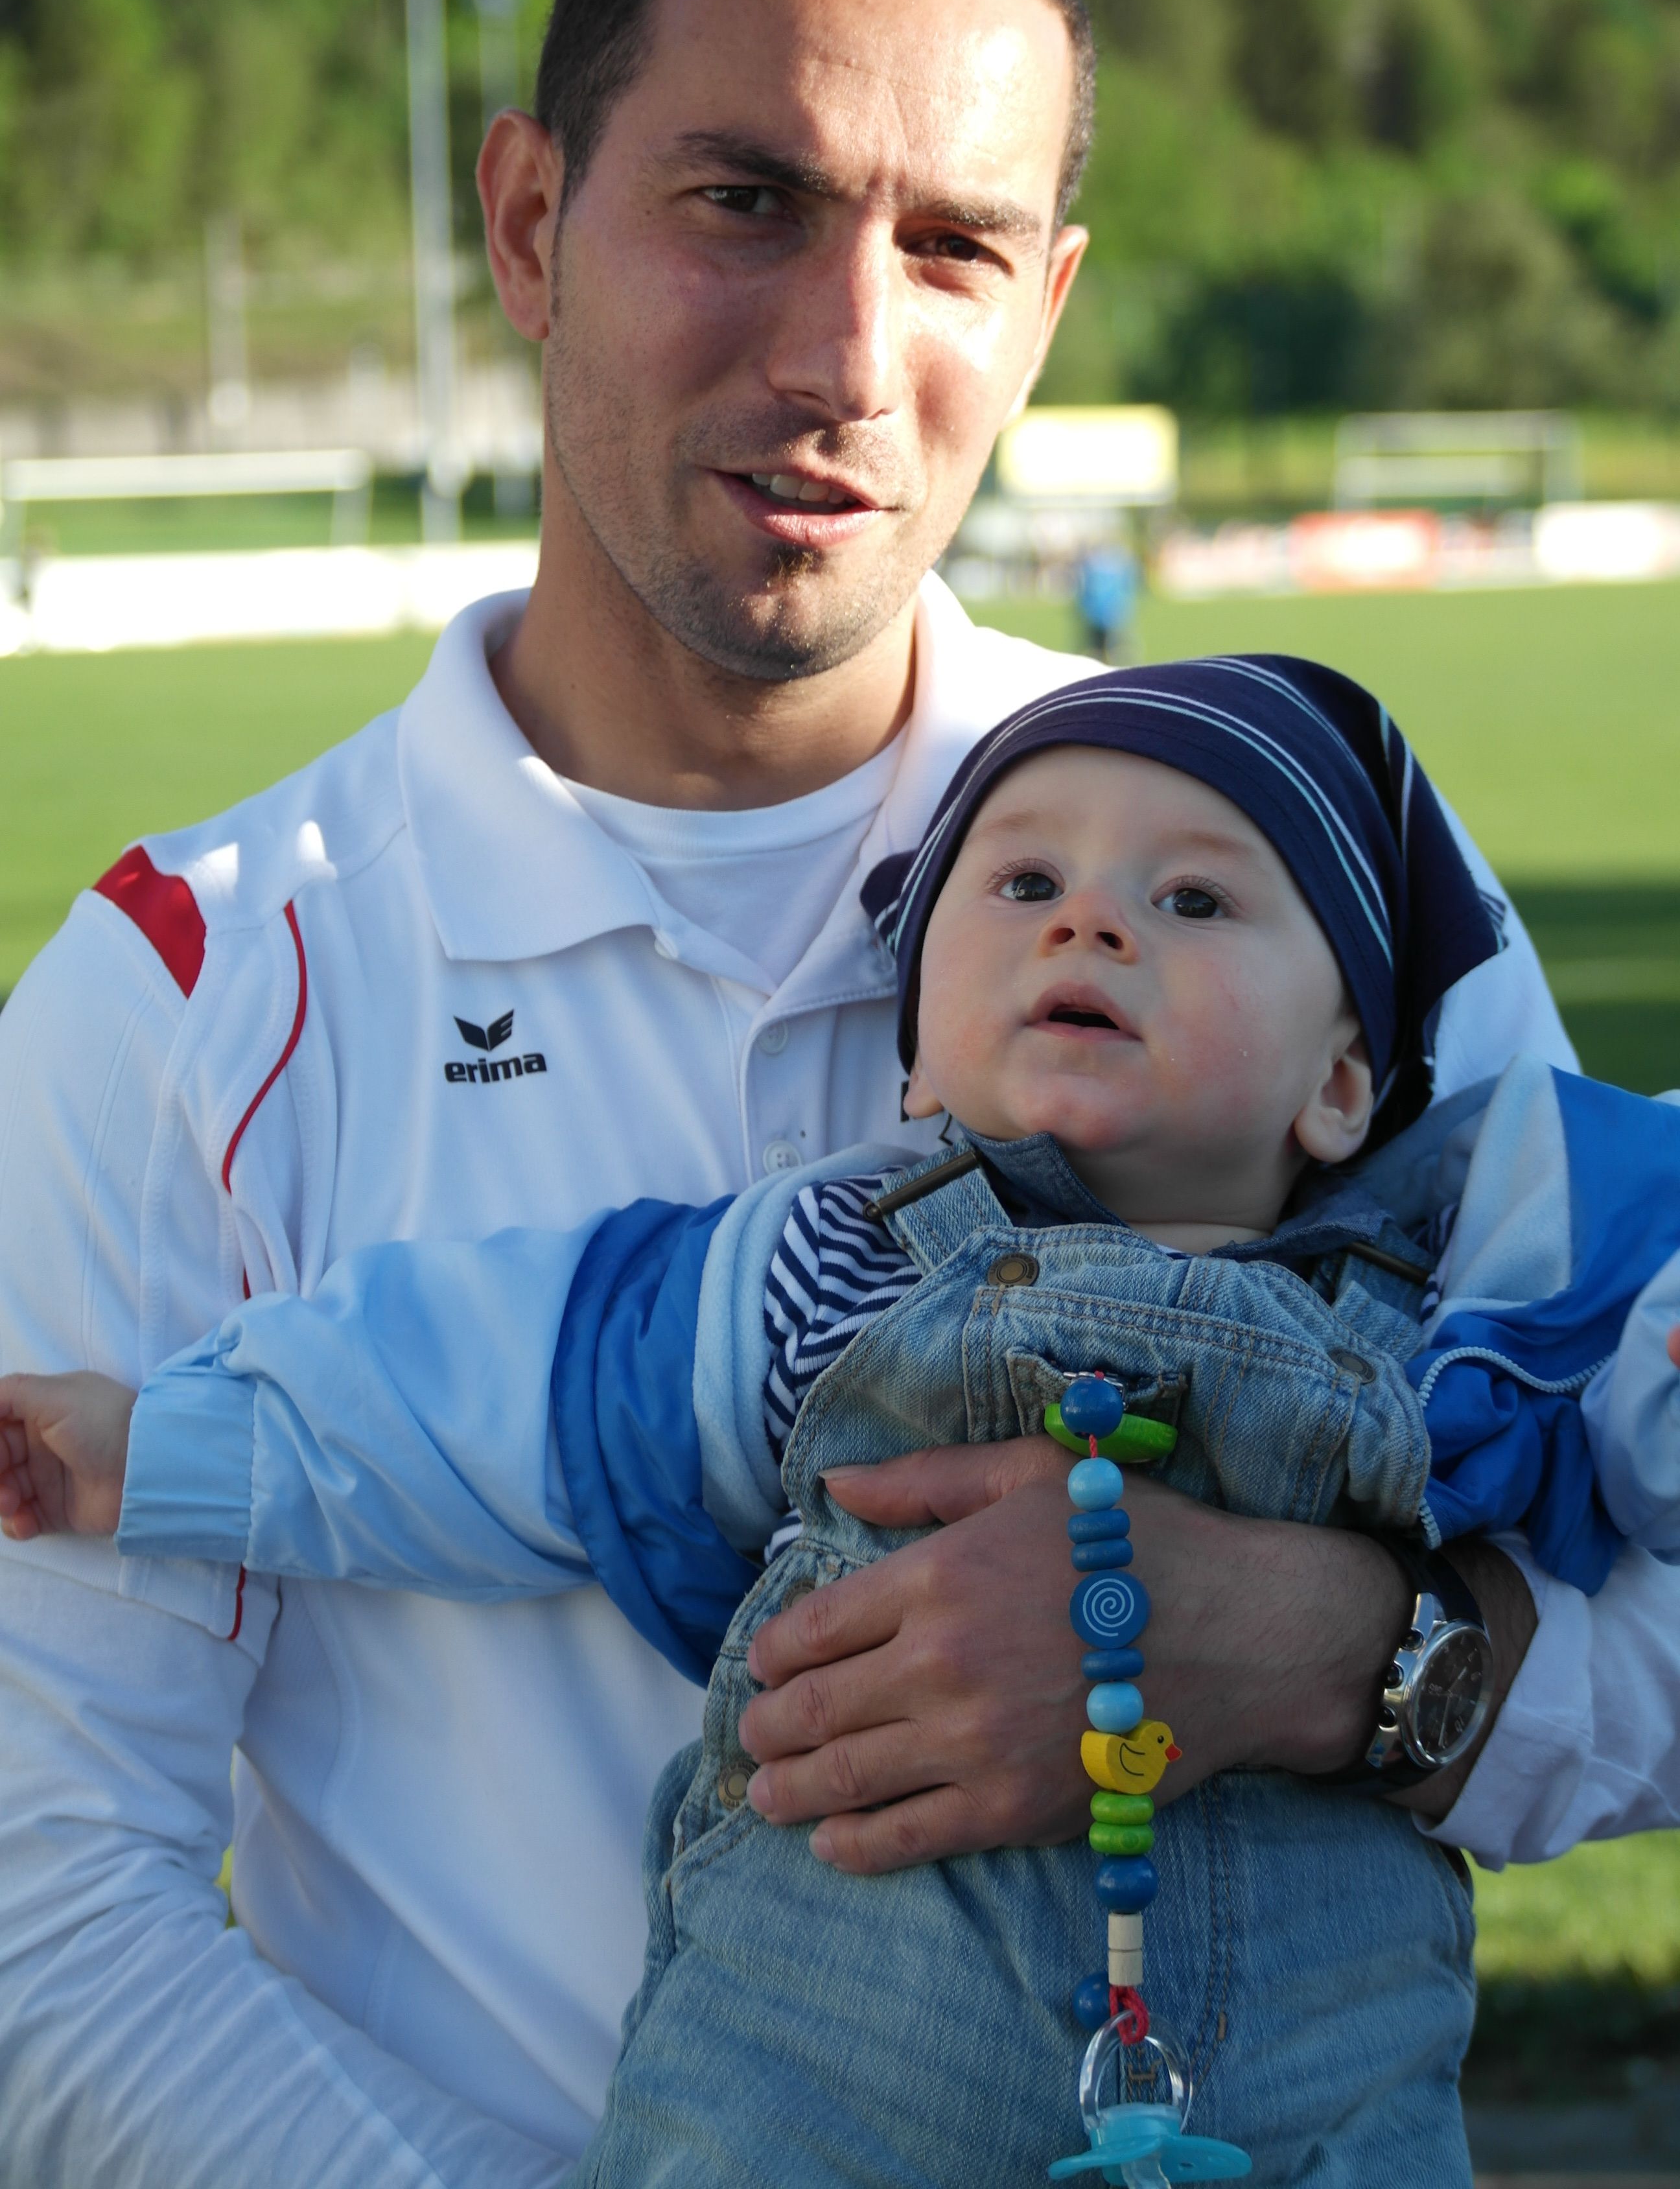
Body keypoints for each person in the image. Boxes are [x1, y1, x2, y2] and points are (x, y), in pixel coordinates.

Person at [0, 0, 1672, 2188]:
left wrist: (1343, 1662)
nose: (848, 355)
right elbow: (54, 1923)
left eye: (953, 247)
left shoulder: (1311, 885)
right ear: (528, 225)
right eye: (745, 202)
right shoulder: (186, 992)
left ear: (1047, 307)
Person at [6, 659, 1680, 2189]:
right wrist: (155, 1450)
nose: (1093, 926)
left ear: (1344, 1085)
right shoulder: (832, 1263)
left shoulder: (1462, 1294)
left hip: (1325, 2064)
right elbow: (484, 1392)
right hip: (830, 2060)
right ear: (917, 1067)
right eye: (1024, 890)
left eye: (1191, 902)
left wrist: (1355, 1648)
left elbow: (1635, 1459)